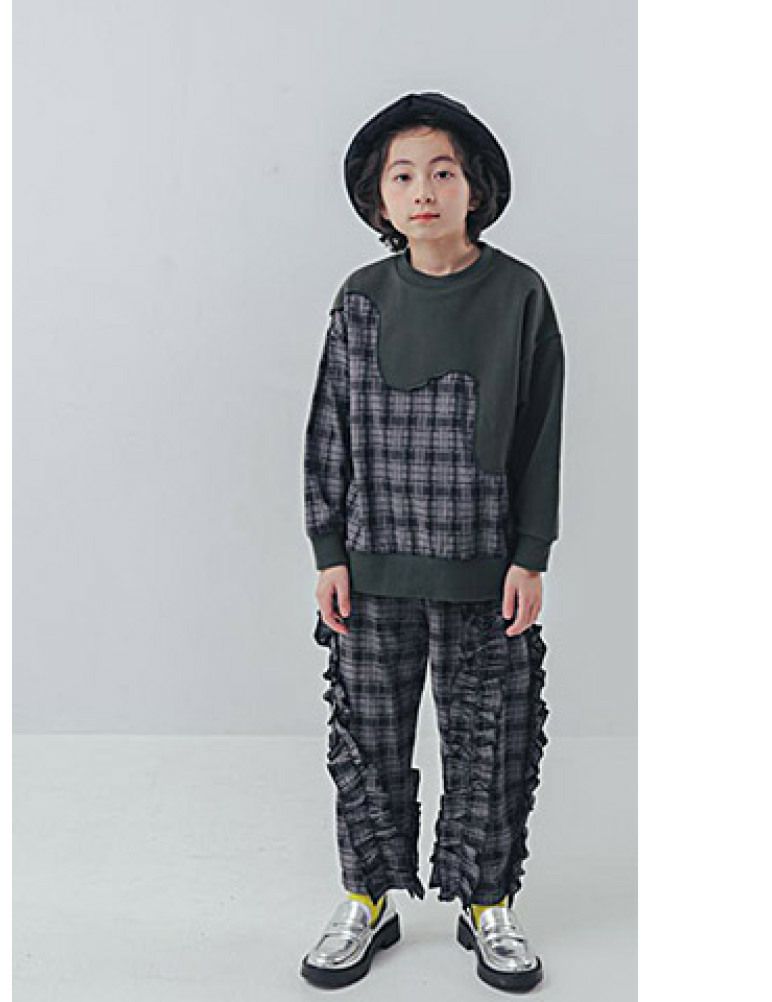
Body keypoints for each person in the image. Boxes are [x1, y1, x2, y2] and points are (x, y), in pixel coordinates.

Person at [298, 92, 565, 992]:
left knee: (490, 741)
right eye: (402, 176)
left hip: (484, 570)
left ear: (474, 188)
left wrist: (531, 552)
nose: (423, 191)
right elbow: (329, 425)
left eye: (442, 172)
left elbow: (541, 431)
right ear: (378, 198)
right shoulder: (361, 298)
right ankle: (366, 897)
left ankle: (488, 903)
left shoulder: (518, 294)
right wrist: (327, 549)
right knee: (367, 739)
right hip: (372, 567)